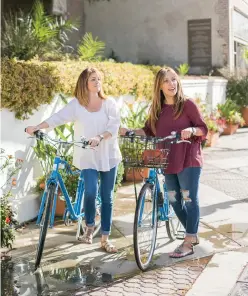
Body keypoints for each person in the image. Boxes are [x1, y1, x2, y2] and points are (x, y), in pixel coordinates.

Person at [26, 67, 122, 253]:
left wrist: (99, 137)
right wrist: (37, 127)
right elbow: (58, 118)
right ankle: (89, 227)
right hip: (87, 156)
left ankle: (105, 239)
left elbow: (114, 126)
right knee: (91, 192)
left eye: (99, 79)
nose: (97, 82)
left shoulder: (109, 103)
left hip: (108, 155)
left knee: (107, 198)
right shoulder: (77, 105)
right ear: (84, 82)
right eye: (93, 79)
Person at [120, 67, 208, 258]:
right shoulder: (157, 110)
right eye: (167, 81)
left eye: (174, 79)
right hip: (168, 160)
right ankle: (191, 235)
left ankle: (188, 240)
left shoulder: (187, 105)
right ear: (159, 86)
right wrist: (129, 132)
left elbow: (203, 128)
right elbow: (148, 130)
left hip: (188, 159)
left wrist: (191, 131)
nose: (172, 84)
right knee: (175, 201)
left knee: (189, 199)